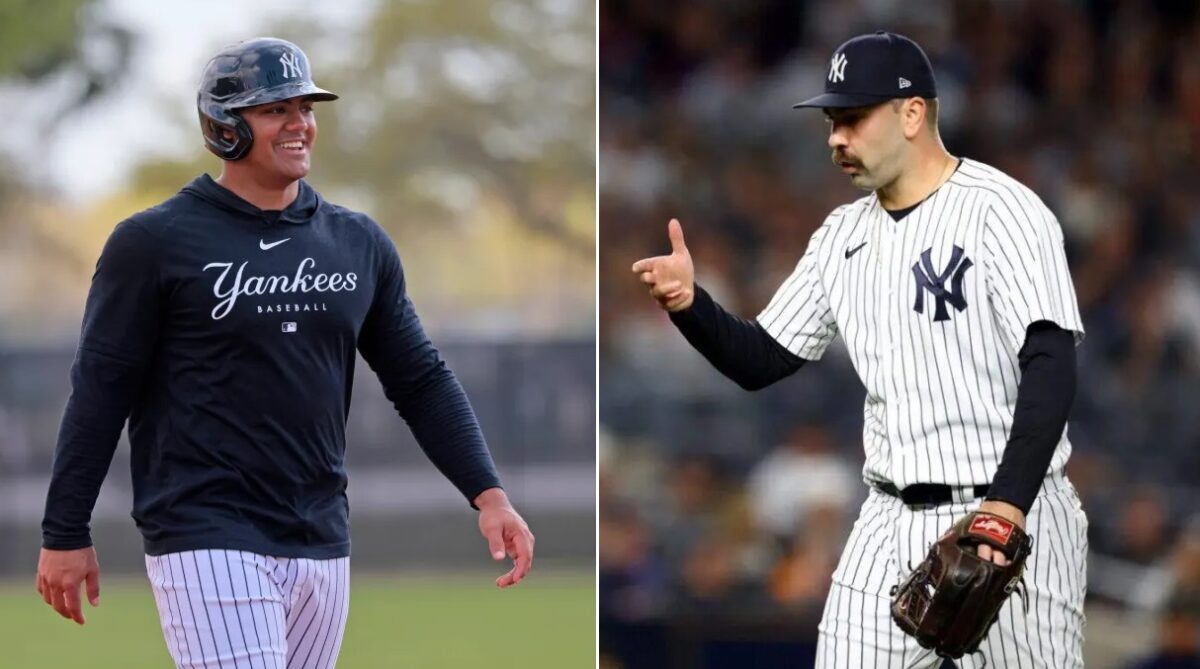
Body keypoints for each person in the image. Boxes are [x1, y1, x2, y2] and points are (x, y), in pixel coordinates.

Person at [36, 37, 535, 668]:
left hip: (321, 535)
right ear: (223, 128)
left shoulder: (357, 243)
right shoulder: (153, 242)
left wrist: (489, 495)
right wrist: (64, 531)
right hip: (204, 530)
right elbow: (102, 389)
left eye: (306, 107)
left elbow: (421, 379)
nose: (300, 123)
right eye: (275, 110)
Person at [633, 31, 1087, 667]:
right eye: (830, 120)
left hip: (1013, 513)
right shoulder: (840, 236)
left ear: (912, 113)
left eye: (852, 118)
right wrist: (691, 306)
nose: (835, 137)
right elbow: (760, 359)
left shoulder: (1004, 211)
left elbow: (1051, 366)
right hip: (887, 517)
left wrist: (1004, 509)